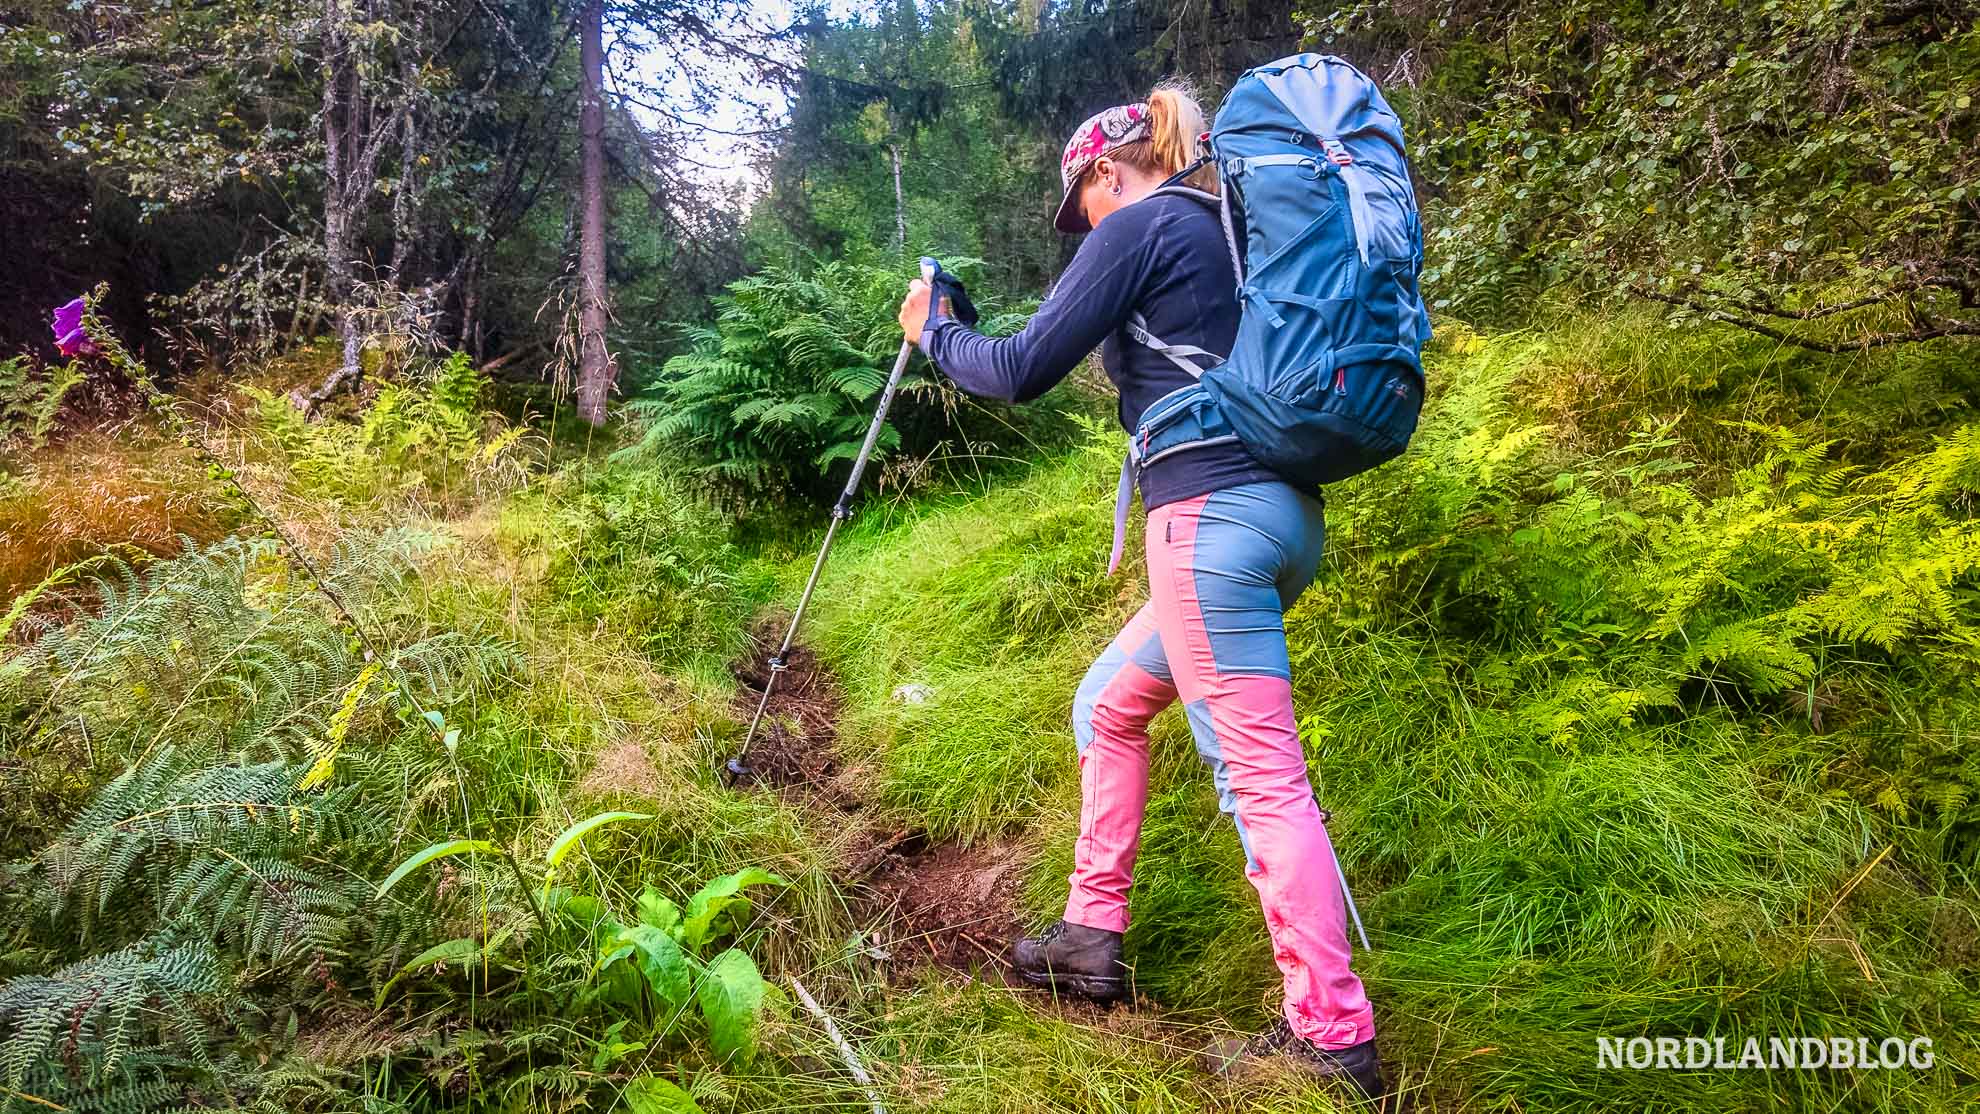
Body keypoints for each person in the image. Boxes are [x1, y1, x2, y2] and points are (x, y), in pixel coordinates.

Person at [896, 83, 1386, 1102]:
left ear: (1107, 173)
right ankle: (1090, 935)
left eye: (1083, 209)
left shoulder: (1144, 223)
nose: (1085, 230)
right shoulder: (1235, 232)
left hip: (1206, 522)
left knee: (1261, 778)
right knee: (1107, 703)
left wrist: (934, 333)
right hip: (1282, 517)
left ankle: (1333, 1037)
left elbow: (1023, 367)